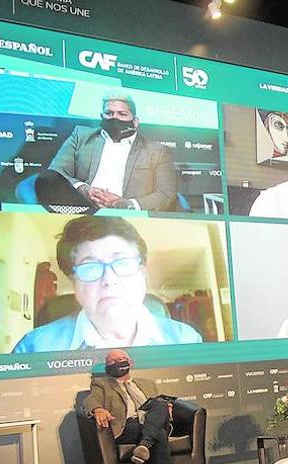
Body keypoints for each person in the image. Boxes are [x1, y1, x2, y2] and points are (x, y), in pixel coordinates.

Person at [12, 216, 202, 353]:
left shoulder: (186, 340)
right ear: (74, 281)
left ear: (143, 274)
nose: (109, 280)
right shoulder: (34, 347)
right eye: (90, 267)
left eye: (122, 263)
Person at [47, 91, 178, 212]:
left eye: (122, 114)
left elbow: (166, 193)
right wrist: (84, 190)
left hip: (130, 217)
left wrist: (126, 204)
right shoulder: (80, 136)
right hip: (82, 209)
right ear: (101, 117)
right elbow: (56, 173)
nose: (115, 118)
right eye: (109, 113)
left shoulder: (157, 151)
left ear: (135, 121)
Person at [82, 349, 174, 464]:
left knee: (160, 403)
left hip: (149, 420)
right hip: (127, 426)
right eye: (112, 361)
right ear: (107, 367)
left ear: (130, 362)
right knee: (159, 433)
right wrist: (98, 409)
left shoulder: (147, 383)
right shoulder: (101, 384)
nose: (117, 363)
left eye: (121, 359)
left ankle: (144, 444)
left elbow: (156, 406)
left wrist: (165, 409)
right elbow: (90, 400)